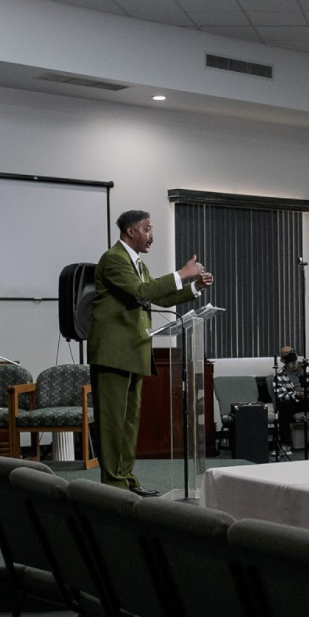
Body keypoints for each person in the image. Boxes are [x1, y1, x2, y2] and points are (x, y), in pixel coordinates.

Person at [88, 209, 212, 495]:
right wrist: (181, 273)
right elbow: (141, 293)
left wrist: (193, 286)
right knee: (112, 423)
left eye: (152, 229)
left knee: (129, 424)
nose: (151, 235)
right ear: (130, 231)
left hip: (134, 351)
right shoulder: (113, 259)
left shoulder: (138, 264)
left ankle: (126, 479)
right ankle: (113, 485)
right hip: (112, 353)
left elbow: (158, 294)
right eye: (147, 228)